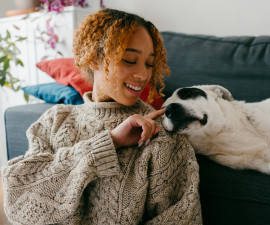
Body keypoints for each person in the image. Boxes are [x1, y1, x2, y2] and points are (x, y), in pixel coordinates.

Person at [1, 8, 202, 225]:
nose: (143, 74)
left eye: (149, 64)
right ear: (93, 59)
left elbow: (183, 218)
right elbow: (17, 201)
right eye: (129, 59)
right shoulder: (54, 121)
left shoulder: (161, 133)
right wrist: (108, 143)